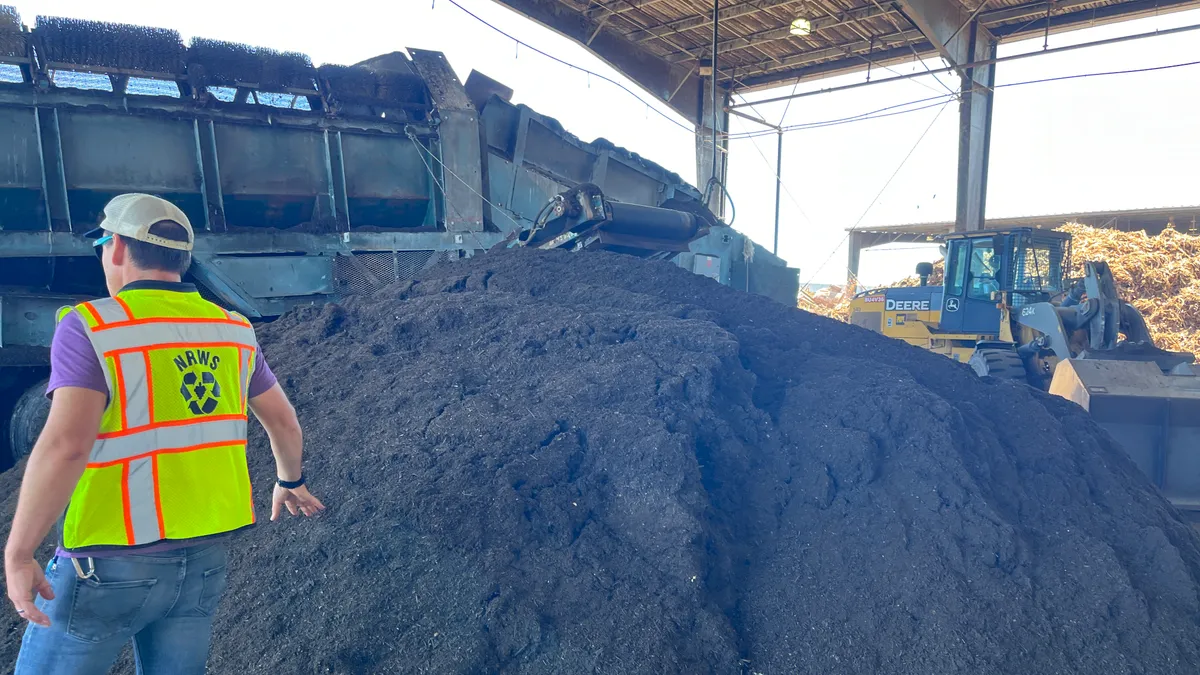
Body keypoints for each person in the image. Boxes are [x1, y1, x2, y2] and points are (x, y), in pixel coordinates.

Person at [3, 193, 325, 674]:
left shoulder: (91, 326)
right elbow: (283, 421)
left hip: (107, 565)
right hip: (203, 560)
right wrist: (290, 481)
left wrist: (19, 550)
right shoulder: (232, 329)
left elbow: (67, 445)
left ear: (114, 248)